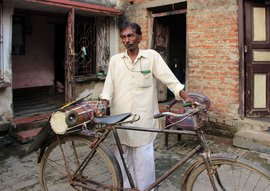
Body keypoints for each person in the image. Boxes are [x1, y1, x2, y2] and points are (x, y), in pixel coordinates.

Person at [100, 21, 193, 190]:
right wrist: (103, 103)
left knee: (143, 160)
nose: (127, 40)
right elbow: (108, 87)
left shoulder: (152, 57)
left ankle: (144, 188)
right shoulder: (116, 60)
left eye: (130, 35)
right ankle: (125, 187)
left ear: (139, 37)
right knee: (122, 159)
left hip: (143, 119)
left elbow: (169, 79)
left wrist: (185, 97)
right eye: (123, 37)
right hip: (120, 119)